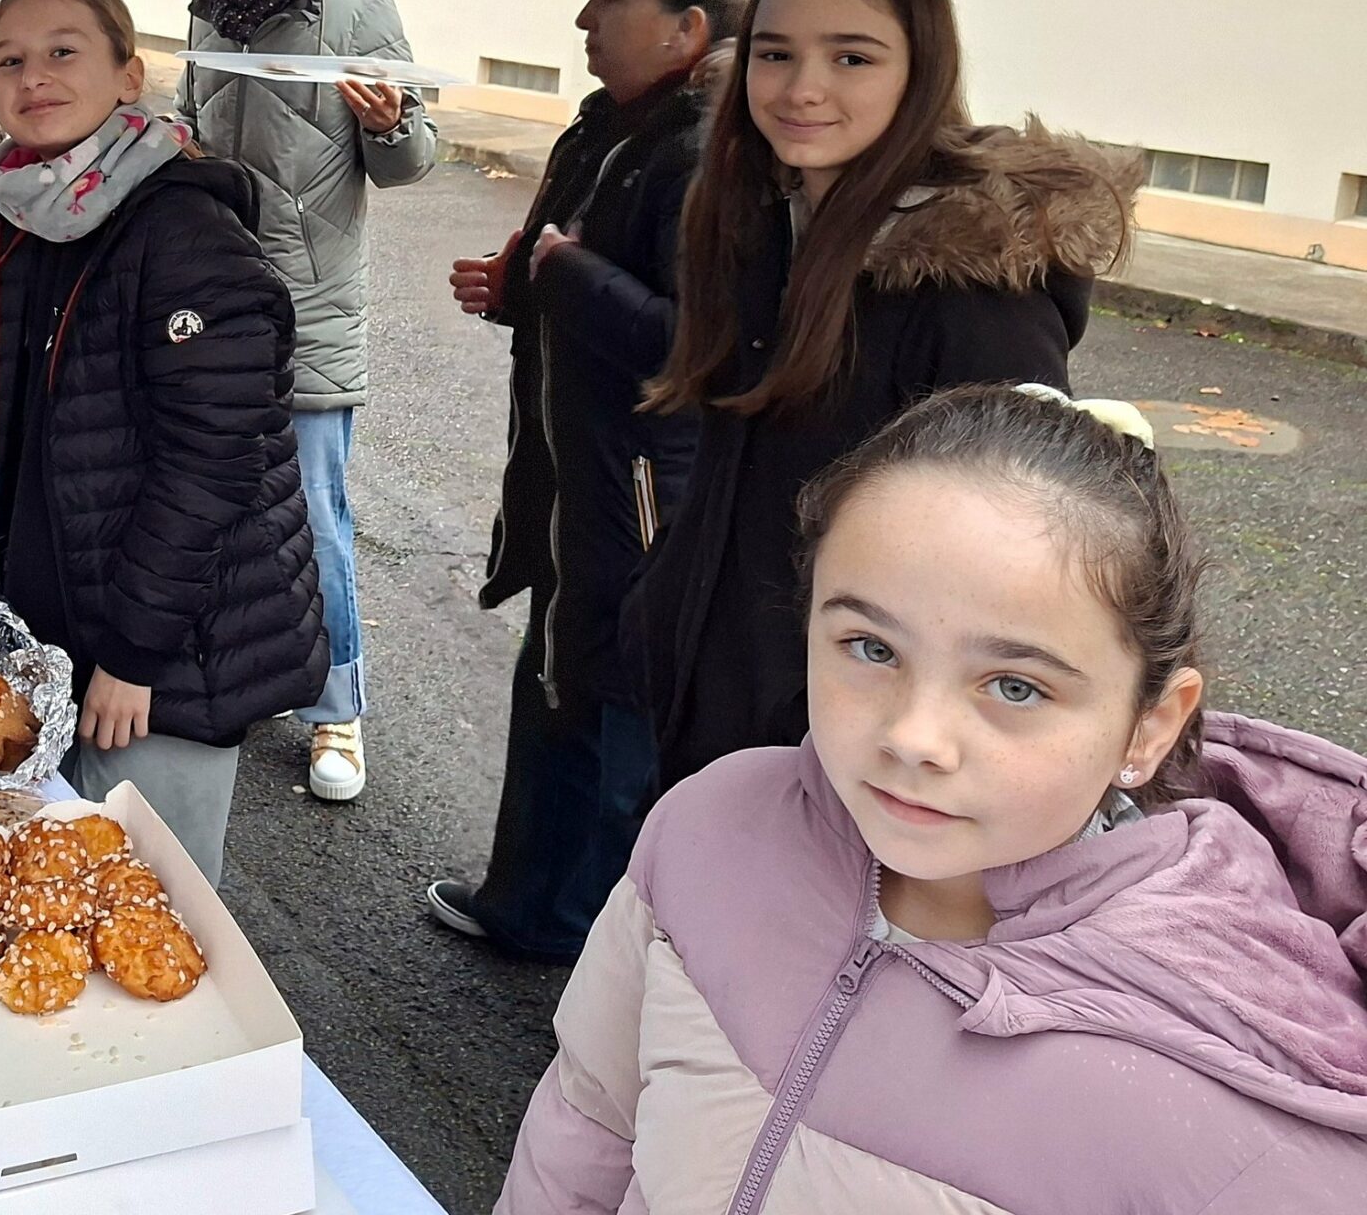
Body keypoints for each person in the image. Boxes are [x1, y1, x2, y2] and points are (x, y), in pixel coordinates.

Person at [501, 383, 1367, 1213]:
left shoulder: (1226, 1081)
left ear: (1150, 727)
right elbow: (588, 1118)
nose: (914, 737)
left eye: (1016, 687)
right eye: (871, 648)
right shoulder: (711, 830)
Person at [627, 0, 1137, 791]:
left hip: (856, 755)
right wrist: (663, 602)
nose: (803, 88)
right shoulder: (760, 226)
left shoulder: (972, 293)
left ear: (921, 70)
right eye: (775, 54)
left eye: (852, 58)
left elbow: (1015, 566)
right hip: (712, 707)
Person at [427, 0, 752, 957]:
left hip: (644, 492)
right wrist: (519, 289)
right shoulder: (610, 125)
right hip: (582, 476)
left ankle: (600, 956)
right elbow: (571, 265)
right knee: (559, 680)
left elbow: (699, 346)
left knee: (618, 725)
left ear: (685, 29)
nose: (583, 18)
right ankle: (529, 904)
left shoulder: (707, 154)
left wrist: (563, 277)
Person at [0, 0, 327, 881]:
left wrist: (136, 654)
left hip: (175, 653)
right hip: (79, 623)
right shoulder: (42, 211)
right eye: (8, 60)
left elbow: (214, 462)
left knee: (147, 899)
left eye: (63, 51)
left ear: (129, 76)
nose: (33, 76)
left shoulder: (182, 232)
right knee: (61, 885)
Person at [174, 0, 435, 803]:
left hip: (310, 305)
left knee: (315, 515)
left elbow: (411, 163)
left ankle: (338, 710)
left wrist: (392, 125)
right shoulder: (211, 11)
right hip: (212, 297)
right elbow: (193, 126)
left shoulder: (361, 11)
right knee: (216, 493)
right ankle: (249, 675)